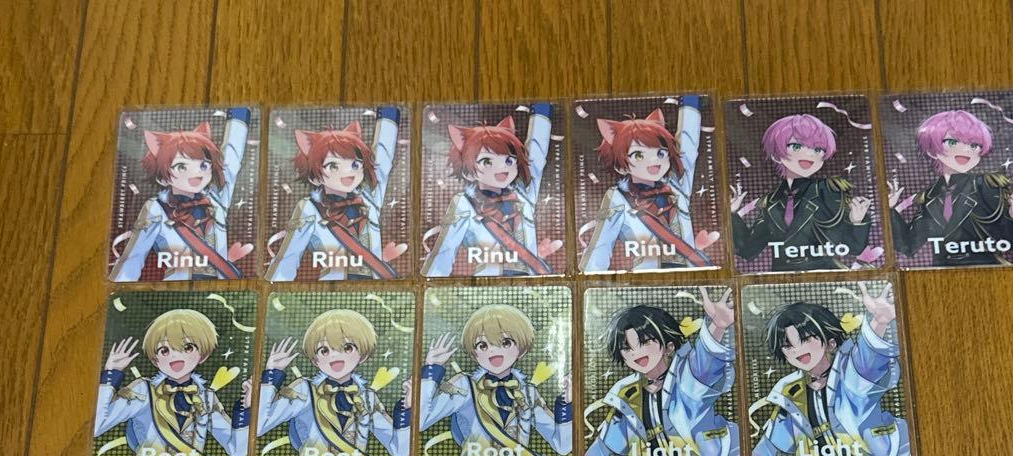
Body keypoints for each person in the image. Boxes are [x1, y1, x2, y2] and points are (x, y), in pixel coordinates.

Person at [750, 282, 909, 456]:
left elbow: (869, 360)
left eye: (806, 339)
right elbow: (768, 453)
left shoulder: (851, 371)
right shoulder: (790, 394)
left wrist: (879, 323)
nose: (798, 350)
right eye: (788, 346)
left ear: (831, 343)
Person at [585, 287, 738, 456]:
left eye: (645, 342)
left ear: (669, 346)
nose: (636, 353)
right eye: (627, 348)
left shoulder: (686, 375)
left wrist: (717, 326)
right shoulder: (626, 396)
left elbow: (705, 362)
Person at [94, 307, 250, 456]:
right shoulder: (143, 390)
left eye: (187, 347)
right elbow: (97, 426)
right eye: (164, 350)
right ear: (155, 359)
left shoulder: (206, 398)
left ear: (203, 354)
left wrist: (245, 408)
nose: (175, 356)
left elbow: (238, 451)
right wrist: (111, 375)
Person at [257, 308, 411, 456]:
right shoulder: (304, 390)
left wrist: (406, 408)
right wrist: (272, 375)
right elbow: (260, 425)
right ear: (315, 358)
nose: (335, 356)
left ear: (363, 354)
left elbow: (399, 450)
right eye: (324, 350)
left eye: (347, 347)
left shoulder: (367, 398)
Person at [419, 303, 571, 456]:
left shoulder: (528, 393)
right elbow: (421, 421)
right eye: (483, 345)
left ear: (521, 348)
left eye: (505, 342)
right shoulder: (464, 386)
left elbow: (562, 445)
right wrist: (432, 370)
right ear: (474, 353)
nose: (493, 351)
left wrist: (566, 403)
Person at [111, 109, 252, 281]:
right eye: (181, 167)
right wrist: (118, 291)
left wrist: (239, 115)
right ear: (162, 178)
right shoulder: (156, 208)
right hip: (180, 289)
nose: (196, 173)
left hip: (221, 288)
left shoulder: (215, 199)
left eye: (203, 166)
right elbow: (134, 257)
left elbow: (231, 158)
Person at [581, 98, 715, 272]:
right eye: (638, 155)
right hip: (648, 279)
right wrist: (591, 281)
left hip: (690, 276)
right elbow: (601, 244)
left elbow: (687, 145)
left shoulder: (675, 185)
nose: (654, 161)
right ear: (621, 166)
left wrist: (691, 101)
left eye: (660, 153)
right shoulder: (618, 196)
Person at [267, 111, 404, 281]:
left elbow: (383, 155)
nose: (348, 172)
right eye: (333, 166)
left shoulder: (369, 198)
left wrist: (389, 112)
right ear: (315, 177)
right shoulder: (309, 208)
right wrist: (274, 290)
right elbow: (288, 257)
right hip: (334, 288)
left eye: (355, 164)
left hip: (375, 289)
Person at [422, 107, 557, 276]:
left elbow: (536, 153)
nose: (502, 167)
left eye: (509, 161)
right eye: (487, 161)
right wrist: (431, 285)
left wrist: (542, 109)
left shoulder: (523, 193)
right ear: (468, 172)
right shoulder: (464, 203)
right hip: (488, 284)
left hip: (529, 283)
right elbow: (445, 251)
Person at [889, 109, 1013, 266]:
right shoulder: (929, 197)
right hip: (943, 273)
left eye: (974, 145)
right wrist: (890, 210)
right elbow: (908, 246)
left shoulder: (986, 186)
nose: (965, 150)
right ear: (932, 150)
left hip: (986, 267)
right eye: (952, 142)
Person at [731, 113, 871, 270]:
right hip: (784, 280)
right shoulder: (771, 202)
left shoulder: (828, 192)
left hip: (826, 276)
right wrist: (732, 214)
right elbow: (748, 250)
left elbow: (853, 248)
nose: (810, 154)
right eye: (797, 147)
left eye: (818, 149)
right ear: (777, 154)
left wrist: (856, 222)